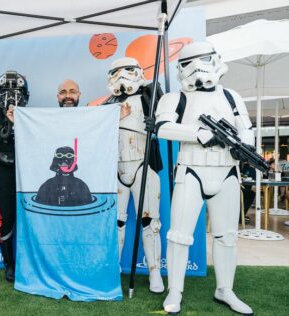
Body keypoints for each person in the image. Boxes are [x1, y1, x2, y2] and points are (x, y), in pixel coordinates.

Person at [154, 42, 254, 315]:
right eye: (191, 62)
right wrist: (197, 134)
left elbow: (247, 129)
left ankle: (225, 289)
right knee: (178, 235)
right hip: (192, 170)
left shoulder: (232, 97)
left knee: (227, 236)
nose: (198, 68)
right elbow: (162, 127)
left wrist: (242, 143)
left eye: (204, 60)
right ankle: (174, 289)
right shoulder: (175, 98)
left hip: (227, 172)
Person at [101, 57, 164, 294]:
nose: (122, 77)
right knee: (117, 221)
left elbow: (167, 121)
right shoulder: (107, 105)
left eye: (127, 71)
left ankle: (154, 271)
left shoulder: (150, 98)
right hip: (117, 169)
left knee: (150, 222)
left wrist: (155, 124)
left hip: (143, 165)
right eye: (116, 73)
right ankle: (113, 268)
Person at [0, 71, 29, 282]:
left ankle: (30, 261)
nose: (11, 97)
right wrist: (1, 157)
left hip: (27, 171)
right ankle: (8, 263)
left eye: (16, 92)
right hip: (2, 172)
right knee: (6, 216)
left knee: (31, 215)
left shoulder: (31, 117)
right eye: (6, 92)